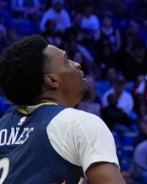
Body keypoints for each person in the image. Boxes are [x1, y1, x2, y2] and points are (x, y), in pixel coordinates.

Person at [0, 35, 123, 183]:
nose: (77, 64)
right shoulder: (78, 123)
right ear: (52, 80)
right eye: (66, 61)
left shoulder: (2, 124)